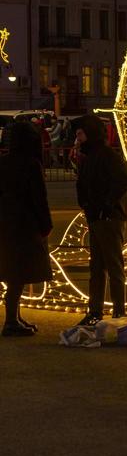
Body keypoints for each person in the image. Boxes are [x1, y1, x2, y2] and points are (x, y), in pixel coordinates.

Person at [75, 115, 127, 326]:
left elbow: (123, 180)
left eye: (80, 133)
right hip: (97, 216)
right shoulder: (90, 156)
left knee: (113, 264)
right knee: (97, 266)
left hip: (108, 217)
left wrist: (106, 205)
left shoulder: (106, 155)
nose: (77, 138)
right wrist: (87, 205)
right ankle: (96, 310)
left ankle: (118, 311)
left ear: (90, 134)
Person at [0, 121, 53, 336]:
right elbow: (39, 198)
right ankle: (11, 321)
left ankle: (15, 317)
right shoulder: (31, 164)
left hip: (5, 223)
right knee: (18, 273)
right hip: (24, 224)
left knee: (13, 271)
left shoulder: (3, 162)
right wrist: (45, 224)